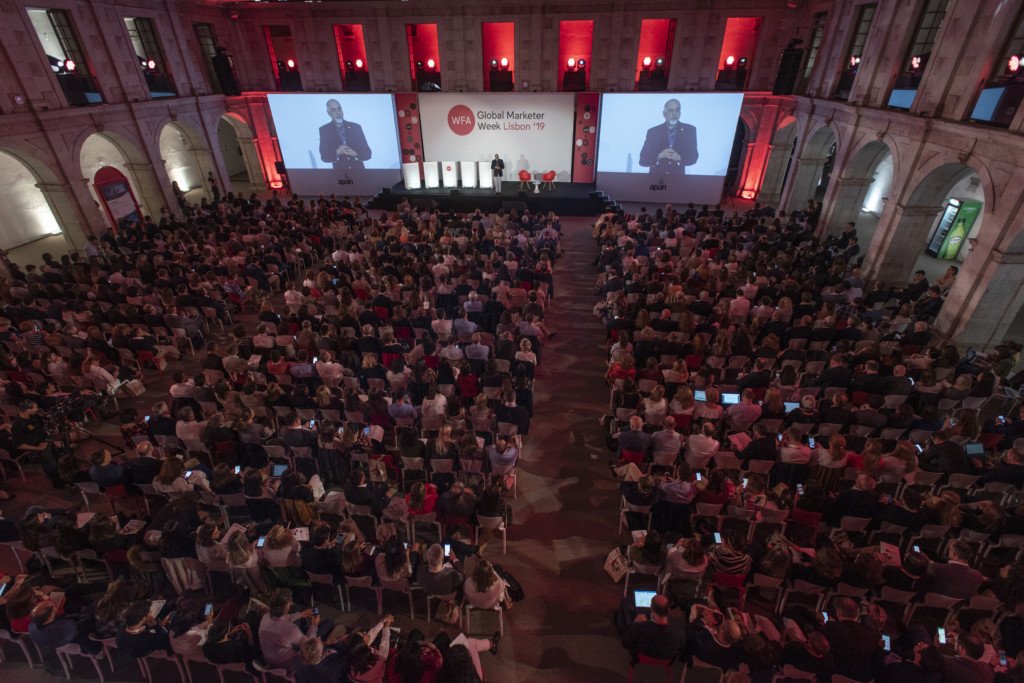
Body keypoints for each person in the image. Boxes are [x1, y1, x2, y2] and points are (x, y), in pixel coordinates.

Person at [638, 98, 699, 176]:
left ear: (680, 112)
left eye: (677, 110)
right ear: (664, 114)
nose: (674, 114)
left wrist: (679, 158)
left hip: (678, 180)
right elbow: (643, 160)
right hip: (656, 180)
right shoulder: (653, 132)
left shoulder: (689, 130)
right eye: (671, 110)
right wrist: (659, 156)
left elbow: (694, 157)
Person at [621, 593, 685, 661]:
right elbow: (680, 648)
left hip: (642, 656)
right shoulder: (679, 632)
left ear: (651, 608)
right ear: (669, 609)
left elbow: (625, 643)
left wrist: (635, 622)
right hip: (666, 660)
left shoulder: (639, 627)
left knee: (624, 604)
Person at [318, 99, 371, 171]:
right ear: (328, 113)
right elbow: (324, 157)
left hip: (359, 174)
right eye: (333, 110)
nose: (337, 112)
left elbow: (368, 153)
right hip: (339, 176)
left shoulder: (356, 127)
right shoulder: (324, 130)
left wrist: (355, 153)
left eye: (339, 109)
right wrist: (337, 152)